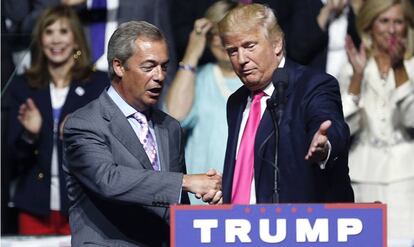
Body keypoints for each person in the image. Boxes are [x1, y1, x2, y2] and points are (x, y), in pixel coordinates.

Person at [63, 21, 222, 247]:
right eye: (149, 67)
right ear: (119, 66)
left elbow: (177, 205)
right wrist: (186, 182)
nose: (159, 76)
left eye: (164, 66)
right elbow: (108, 179)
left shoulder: (170, 127)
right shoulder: (85, 124)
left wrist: (209, 193)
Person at [218, 3, 354, 204]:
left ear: (276, 44)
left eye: (249, 46)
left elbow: (328, 124)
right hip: (240, 228)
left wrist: (324, 146)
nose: (241, 59)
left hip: (303, 226)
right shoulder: (236, 102)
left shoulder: (313, 85)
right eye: (232, 51)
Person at [5, 5, 109, 235]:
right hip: (34, 206)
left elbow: (111, 149)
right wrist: (29, 134)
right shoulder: (24, 86)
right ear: (40, 40)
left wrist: (82, 130)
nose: (55, 40)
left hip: (84, 206)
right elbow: (11, 158)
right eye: (48, 32)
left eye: (63, 31)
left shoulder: (98, 84)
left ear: (76, 38)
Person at [337, 0, 414, 239]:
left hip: (406, 177)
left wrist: (399, 68)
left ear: (407, 27)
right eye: (384, 21)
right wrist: (357, 78)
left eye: (398, 22)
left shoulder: (412, 66)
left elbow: (411, 119)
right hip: (364, 176)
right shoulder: (352, 67)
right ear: (370, 25)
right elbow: (344, 129)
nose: (391, 29)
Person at [166, 0, 242, 204]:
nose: (219, 41)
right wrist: (192, 53)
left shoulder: (256, 82)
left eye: (225, 32)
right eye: (213, 34)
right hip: (201, 199)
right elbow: (174, 116)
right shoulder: (198, 78)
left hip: (245, 200)